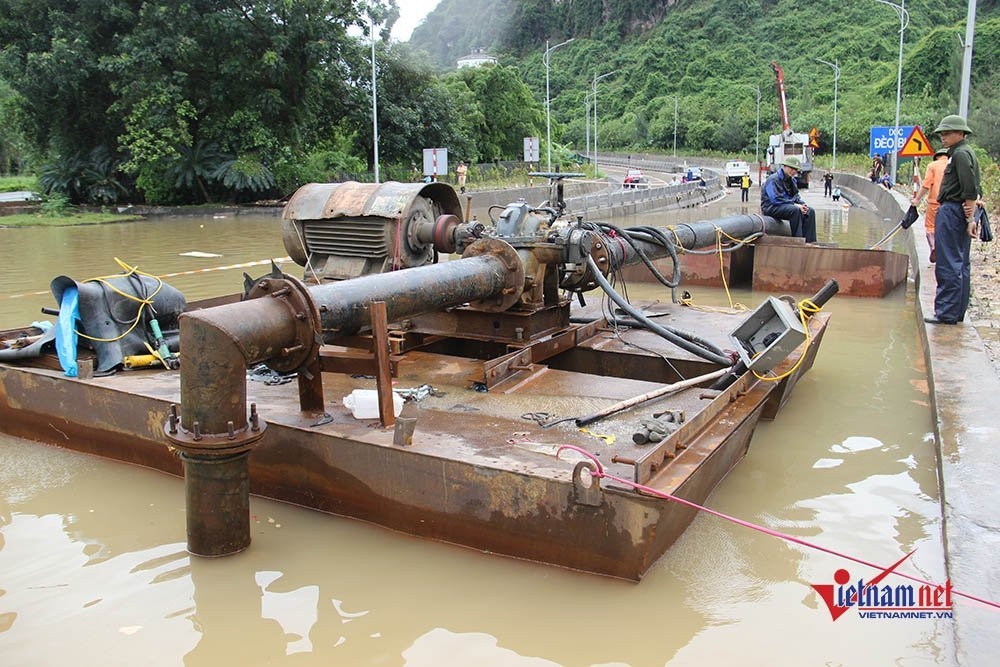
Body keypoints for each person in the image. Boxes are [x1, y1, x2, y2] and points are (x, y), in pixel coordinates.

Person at [925, 115, 983, 325]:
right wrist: (970, 216)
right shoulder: (964, 153)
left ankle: (946, 313)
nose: (943, 137)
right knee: (961, 264)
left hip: (952, 210)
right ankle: (956, 311)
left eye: (947, 133)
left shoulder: (960, 154)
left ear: (961, 134)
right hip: (959, 210)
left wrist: (970, 218)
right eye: (941, 133)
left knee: (948, 263)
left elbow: (969, 188)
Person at [761, 156, 816, 243]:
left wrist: (802, 205)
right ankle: (798, 240)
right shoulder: (773, 179)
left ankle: (810, 241)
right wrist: (795, 205)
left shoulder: (792, 181)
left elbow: (795, 197)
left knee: (810, 211)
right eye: (792, 168)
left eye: (796, 169)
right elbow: (775, 199)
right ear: (785, 167)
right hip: (771, 207)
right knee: (795, 210)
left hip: (787, 206)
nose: (793, 171)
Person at [911, 147, 950, 263]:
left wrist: (917, 199)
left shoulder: (933, 166)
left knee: (930, 228)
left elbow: (926, 185)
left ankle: (933, 247)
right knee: (946, 228)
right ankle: (945, 252)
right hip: (950, 204)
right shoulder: (953, 165)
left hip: (934, 202)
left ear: (937, 156)